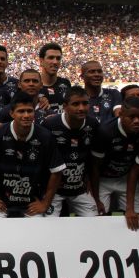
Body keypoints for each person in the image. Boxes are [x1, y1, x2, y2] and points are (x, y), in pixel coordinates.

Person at [0, 91, 65, 218]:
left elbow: (57, 171)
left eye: (30, 111)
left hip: (31, 203)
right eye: (21, 111)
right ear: (12, 113)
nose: (26, 115)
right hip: (1, 203)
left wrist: (45, 203)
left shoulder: (45, 136)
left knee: (36, 235)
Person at [90, 97, 139, 215]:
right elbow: (95, 167)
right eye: (132, 117)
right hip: (103, 179)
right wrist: (97, 199)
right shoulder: (105, 131)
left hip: (127, 177)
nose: (137, 121)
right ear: (121, 114)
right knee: (99, 214)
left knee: (137, 214)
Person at [42, 86, 100, 217]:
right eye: (75, 104)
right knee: (48, 224)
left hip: (79, 189)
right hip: (54, 190)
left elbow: (93, 159)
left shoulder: (93, 124)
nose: (81, 108)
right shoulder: (50, 124)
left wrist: (89, 182)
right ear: (65, 106)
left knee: (95, 221)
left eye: (85, 103)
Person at [38, 43, 71, 117]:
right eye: (51, 57)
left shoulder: (66, 83)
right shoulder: (33, 86)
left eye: (58, 58)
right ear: (41, 61)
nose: (55, 62)